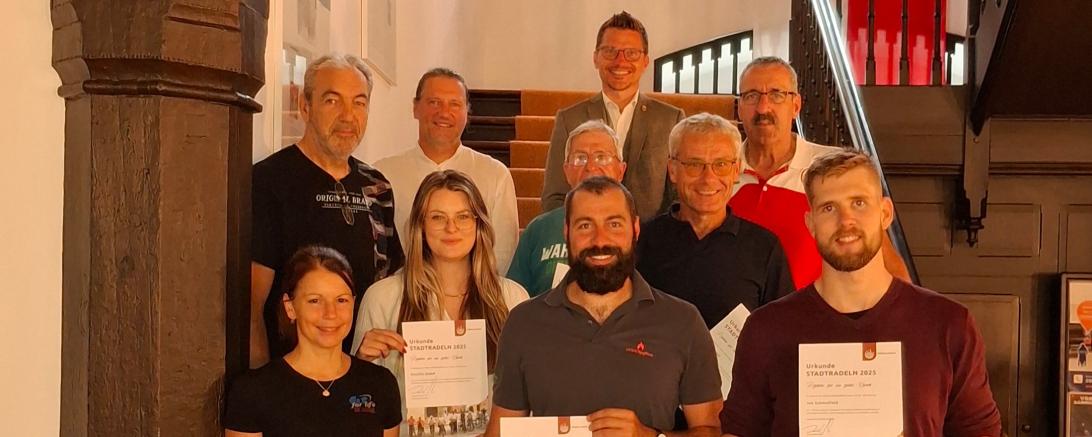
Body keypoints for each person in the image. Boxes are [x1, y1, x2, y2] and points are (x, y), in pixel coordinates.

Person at [721, 150, 1001, 437]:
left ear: (885, 213)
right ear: (810, 224)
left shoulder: (949, 324)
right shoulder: (766, 328)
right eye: (829, 208)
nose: (846, 221)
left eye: (859, 203)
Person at [486, 177, 723, 437]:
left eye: (614, 224)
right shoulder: (524, 323)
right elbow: (501, 432)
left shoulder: (682, 322)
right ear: (567, 232)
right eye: (585, 225)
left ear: (635, 229)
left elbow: (711, 430)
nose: (600, 240)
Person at [251, 54, 403, 367]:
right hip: (294, 379)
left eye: (359, 103)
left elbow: (393, 286)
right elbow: (250, 305)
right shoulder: (269, 181)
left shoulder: (377, 187)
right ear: (304, 106)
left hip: (364, 372)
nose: (349, 116)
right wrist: (263, 386)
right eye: (333, 101)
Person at [352, 170, 529, 433]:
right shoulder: (383, 297)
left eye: (463, 217)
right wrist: (361, 364)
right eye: (437, 217)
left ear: (479, 224)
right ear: (420, 226)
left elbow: (527, 398)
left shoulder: (513, 300)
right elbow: (356, 406)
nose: (451, 228)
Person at [728, 56, 909, 290]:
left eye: (776, 94)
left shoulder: (835, 170)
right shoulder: (717, 174)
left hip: (819, 320)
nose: (763, 108)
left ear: (795, 106)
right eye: (751, 96)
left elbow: (884, 263)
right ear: (739, 108)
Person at [637, 113, 793, 328]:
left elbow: (783, 330)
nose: (708, 178)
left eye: (721, 164)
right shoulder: (642, 241)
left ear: (736, 170)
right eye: (694, 164)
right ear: (672, 170)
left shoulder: (764, 247)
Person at [225, 246, 401, 437]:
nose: (330, 313)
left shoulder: (381, 384)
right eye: (315, 301)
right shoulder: (252, 392)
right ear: (290, 307)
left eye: (341, 300)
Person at [540, 11, 684, 221]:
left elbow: (678, 197)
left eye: (631, 53)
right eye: (610, 51)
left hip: (653, 245)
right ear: (595, 58)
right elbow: (554, 198)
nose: (620, 61)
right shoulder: (569, 119)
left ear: (645, 61)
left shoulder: (671, 119)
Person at [376, 68, 518, 273]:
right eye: (434, 102)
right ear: (415, 108)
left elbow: (502, 252)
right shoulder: (383, 174)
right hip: (401, 295)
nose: (444, 113)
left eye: (455, 104)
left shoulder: (495, 174)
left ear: (466, 113)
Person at [507, 119, 627, 296]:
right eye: (580, 158)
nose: (591, 166)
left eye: (602, 157)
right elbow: (513, 297)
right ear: (566, 170)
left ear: (621, 170)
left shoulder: (637, 230)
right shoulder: (539, 229)